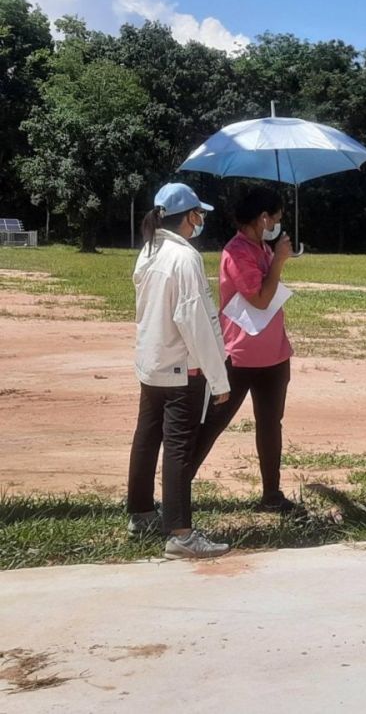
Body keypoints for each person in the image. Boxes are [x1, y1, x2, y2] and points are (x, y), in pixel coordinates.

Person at [127, 182, 231, 560]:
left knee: (146, 437)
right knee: (179, 448)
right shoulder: (184, 258)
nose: (200, 220)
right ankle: (181, 534)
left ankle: (140, 513)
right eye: (199, 214)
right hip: (181, 368)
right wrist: (218, 378)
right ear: (188, 216)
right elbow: (195, 321)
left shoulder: (150, 250)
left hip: (152, 361)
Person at [190, 186, 297, 512]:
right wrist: (279, 261)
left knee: (270, 425)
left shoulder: (261, 248)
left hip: (274, 356)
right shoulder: (236, 252)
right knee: (212, 424)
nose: (277, 224)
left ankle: (271, 495)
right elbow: (261, 299)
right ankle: (177, 491)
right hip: (239, 357)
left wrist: (275, 257)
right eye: (276, 218)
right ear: (263, 218)